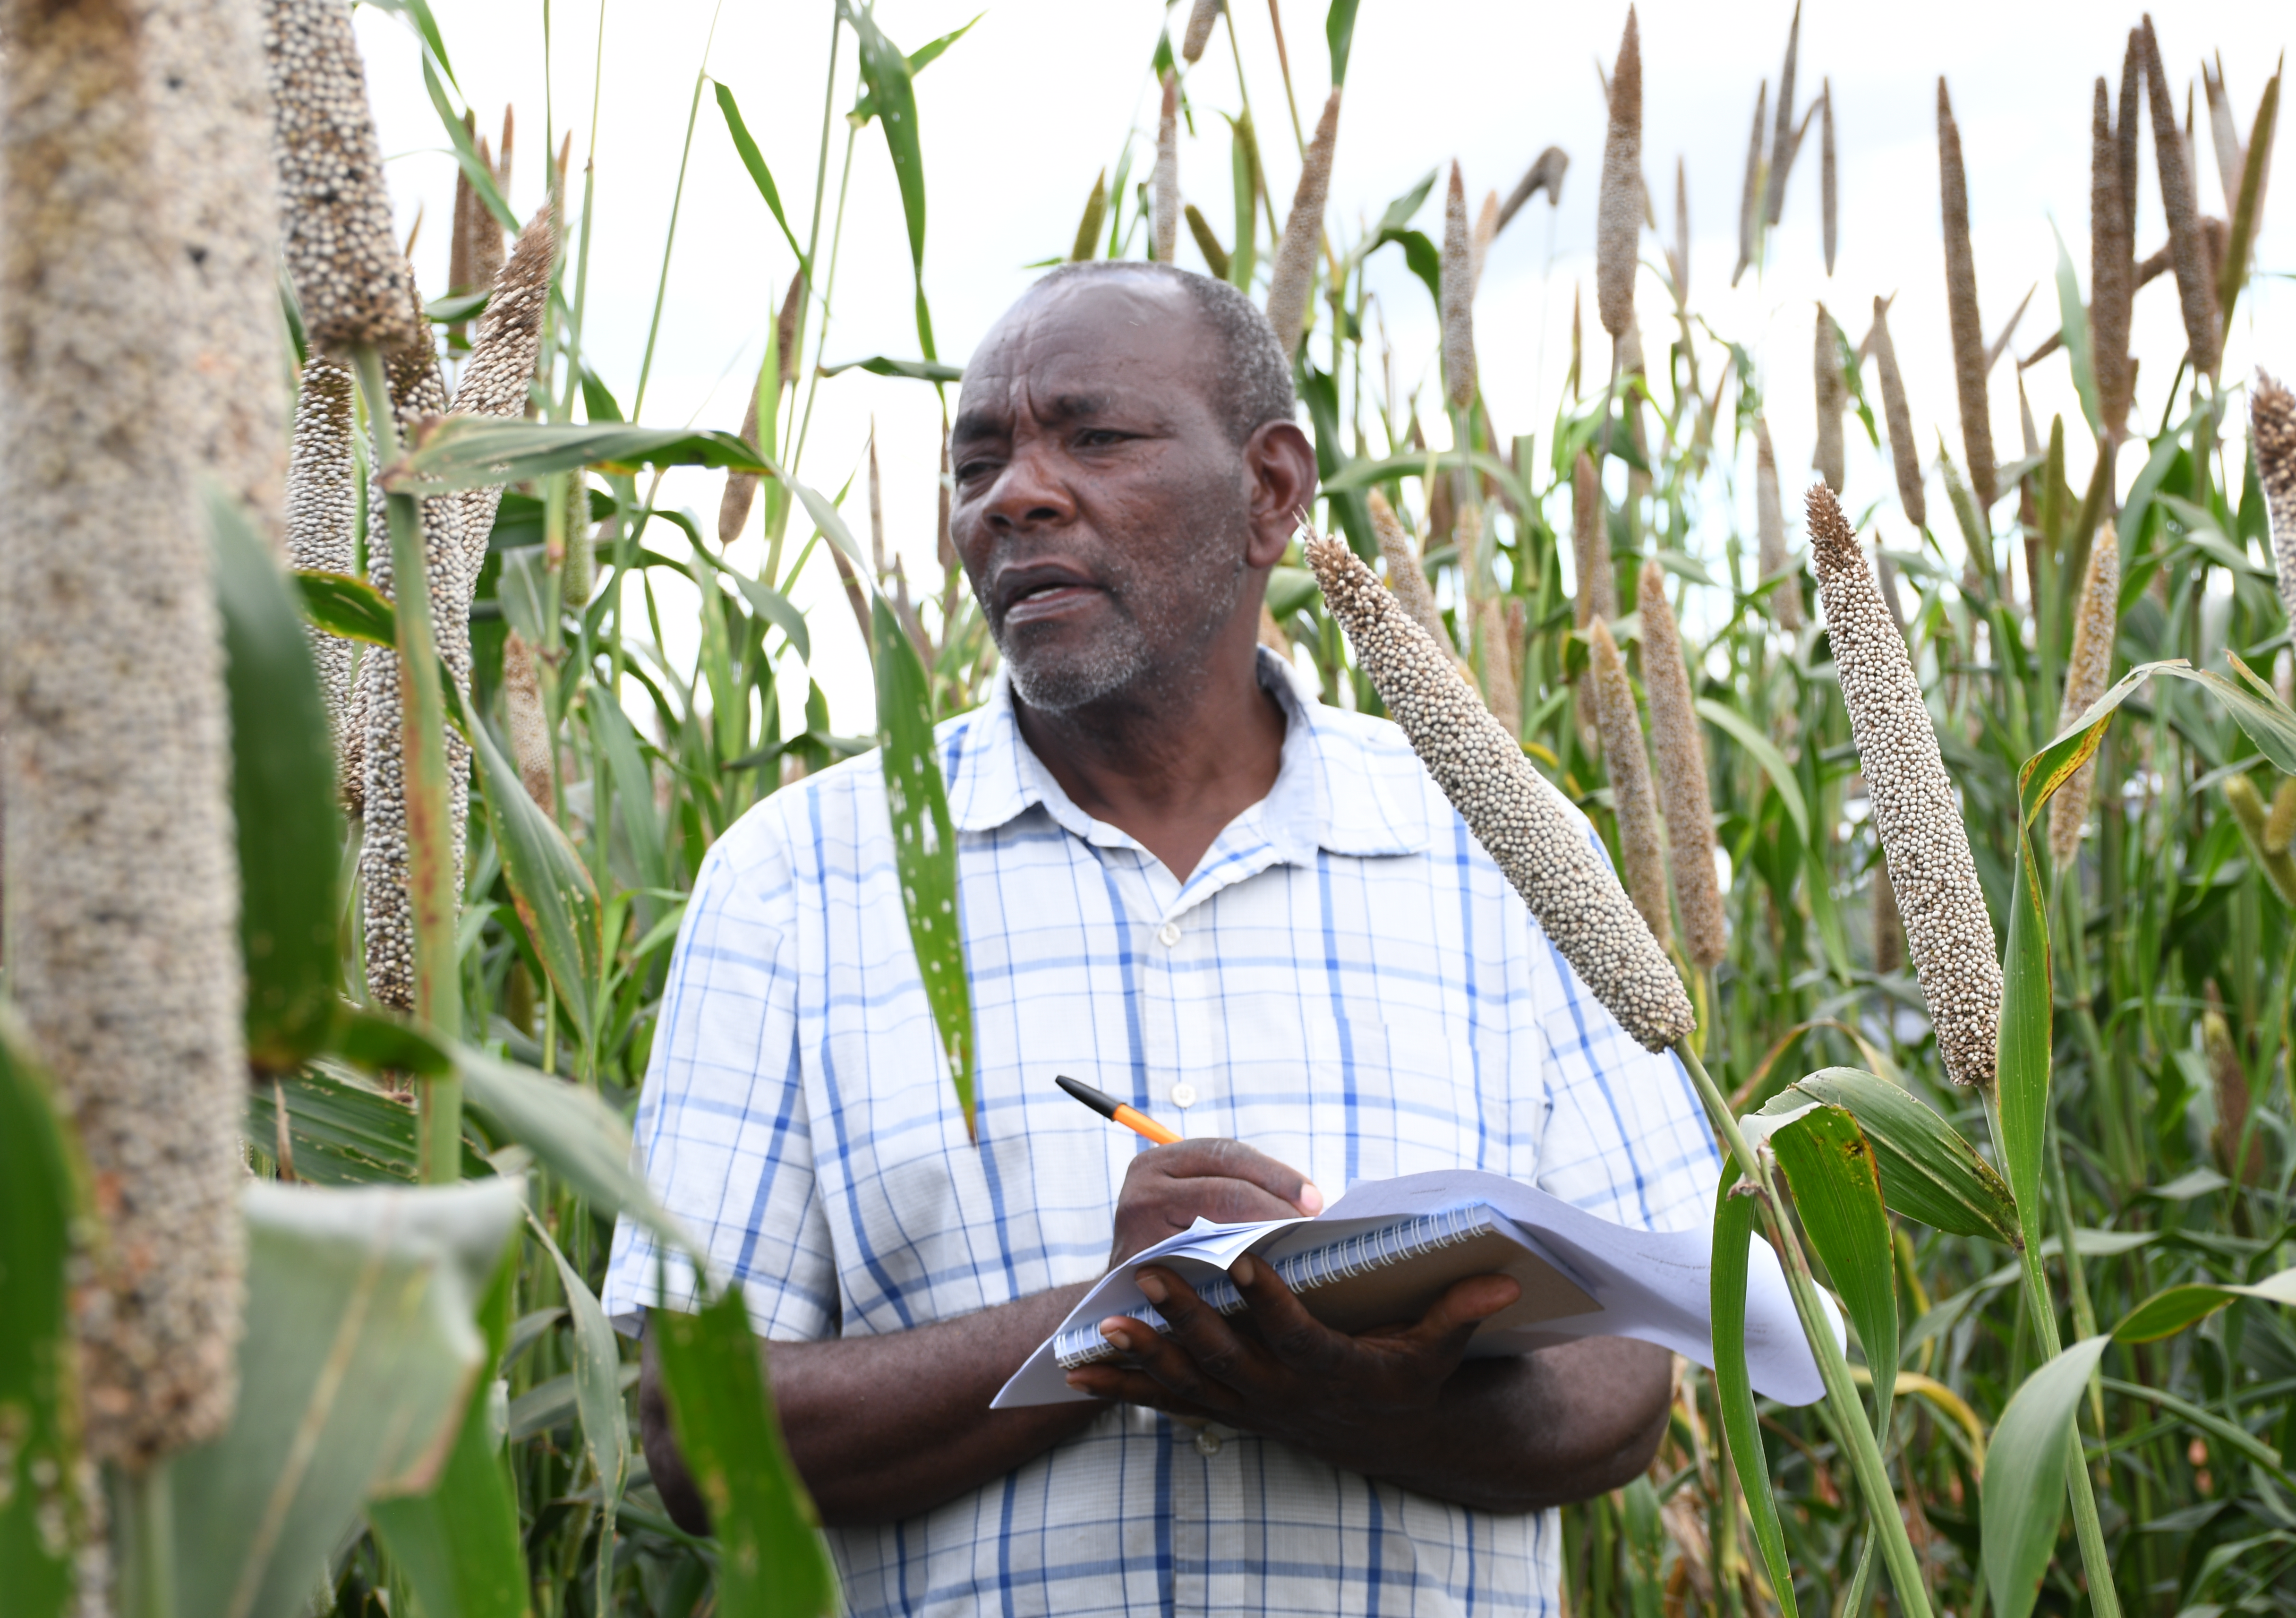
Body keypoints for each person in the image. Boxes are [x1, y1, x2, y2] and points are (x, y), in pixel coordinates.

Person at [601, 262, 1718, 1616]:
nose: (1016, 492)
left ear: (1271, 492)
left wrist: (1338, 1394)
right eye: (979, 461)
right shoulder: (797, 881)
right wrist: (1122, 1316)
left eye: (1094, 436)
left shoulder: (1497, 850)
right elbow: (699, 1439)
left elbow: (1623, 1396)